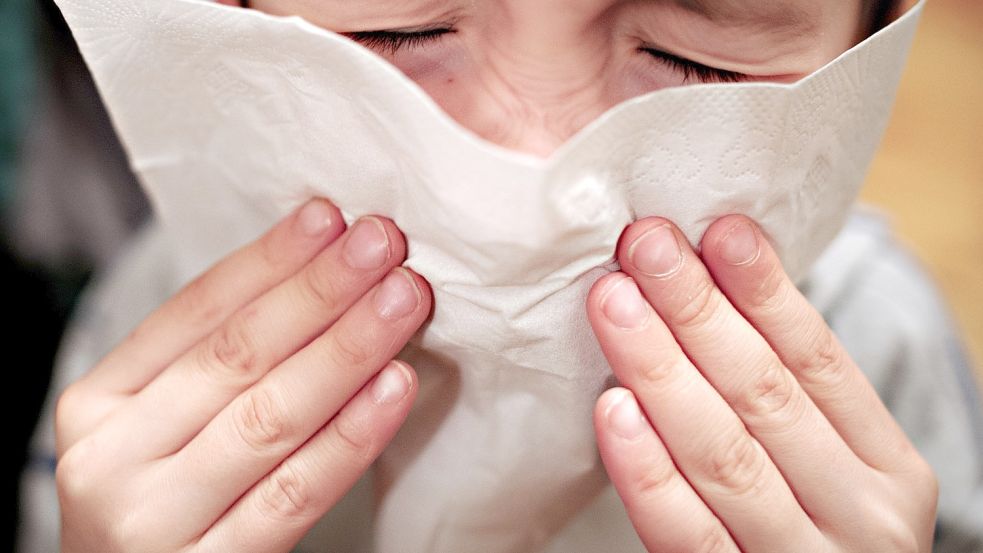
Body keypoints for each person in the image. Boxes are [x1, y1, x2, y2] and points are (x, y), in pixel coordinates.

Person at [18, 0, 983, 551]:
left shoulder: (877, 344)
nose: (536, 168)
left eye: (697, 63)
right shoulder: (160, 333)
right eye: (395, 31)